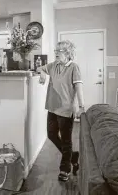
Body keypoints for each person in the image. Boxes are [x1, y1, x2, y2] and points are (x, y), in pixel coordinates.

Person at [37, 40, 85, 182]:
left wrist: (81, 106)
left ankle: (65, 168)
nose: (56, 53)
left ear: (68, 53)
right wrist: (43, 74)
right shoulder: (54, 65)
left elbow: (78, 87)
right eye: (55, 51)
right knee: (51, 134)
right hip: (52, 107)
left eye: (60, 51)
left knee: (66, 140)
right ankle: (73, 156)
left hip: (65, 109)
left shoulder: (74, 67)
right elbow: (41, 68)